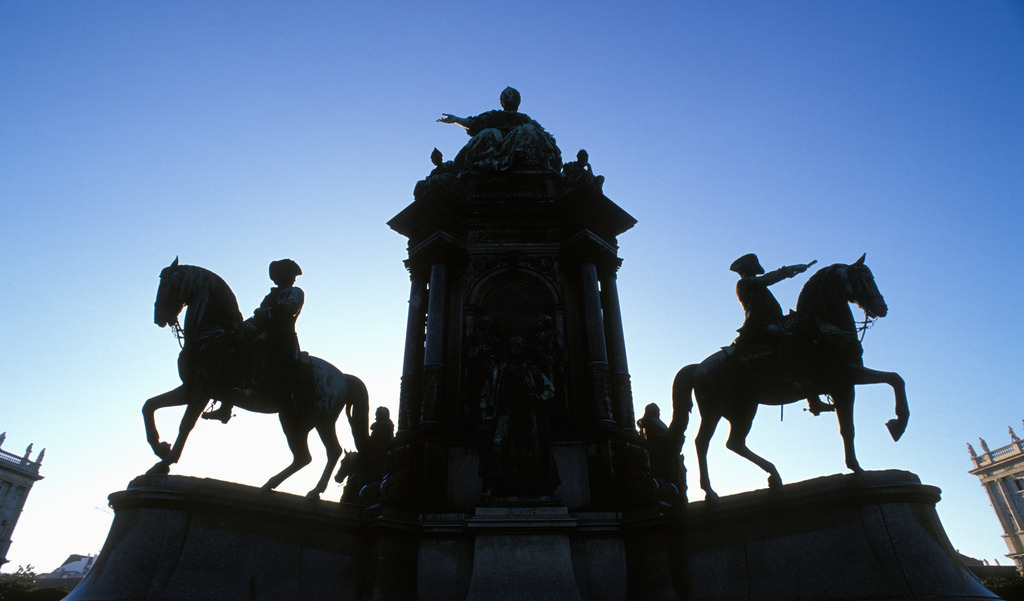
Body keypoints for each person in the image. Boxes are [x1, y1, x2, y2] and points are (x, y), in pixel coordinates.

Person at [203, 259, 304, 423]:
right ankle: (225, 406)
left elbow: (285, 311)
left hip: (280, 336)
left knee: (257, 345)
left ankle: (252, 387)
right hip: (265, 330)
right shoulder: (271, 294)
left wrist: (262, 314)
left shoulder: (295, 293)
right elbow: (259, 316)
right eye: (284, 274)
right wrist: (244, 326)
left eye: (289, 274)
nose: (290, 278)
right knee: (233, 346)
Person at [730, 253, 832, 415]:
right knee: (789, 338)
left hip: (774, 322)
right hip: (760, 326)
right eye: (751, 266)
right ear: (745, 269)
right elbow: (767, 279)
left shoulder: (757, 285)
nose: (753, 269)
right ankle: (788, 375)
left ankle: (814, 395)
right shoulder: (745, 283)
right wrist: (790, 270)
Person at [438, 87, 561, 172]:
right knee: (489, 133)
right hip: (497, 141)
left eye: (510, 94)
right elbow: (475, 123)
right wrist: (457, 120)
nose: (507, 96)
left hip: (518, 141)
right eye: (504, 95)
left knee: (527, 130)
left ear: (517, 99)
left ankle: (518, 157)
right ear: (501, 101)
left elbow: (541, 134)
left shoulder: (524, 119)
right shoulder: (494, 115)